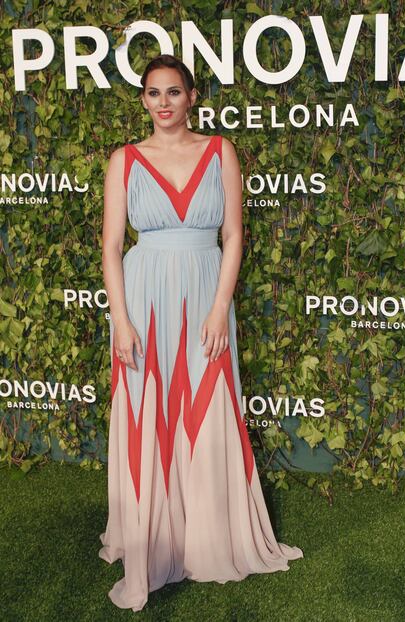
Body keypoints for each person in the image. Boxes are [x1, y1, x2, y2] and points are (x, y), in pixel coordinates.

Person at [98, 53, 303, 612]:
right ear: (143, 100)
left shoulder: (221, 153)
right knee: (150, 411)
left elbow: (233, 235)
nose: (162, 103)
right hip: (143, 301)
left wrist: (219, 309)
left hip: (206, 297)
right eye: (152, 93)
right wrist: (120, 317)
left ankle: (210, 537)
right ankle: (152, 538)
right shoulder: (125, 160)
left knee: (208, 407)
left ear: (192, 98)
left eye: (173, 92)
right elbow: (112, 246)